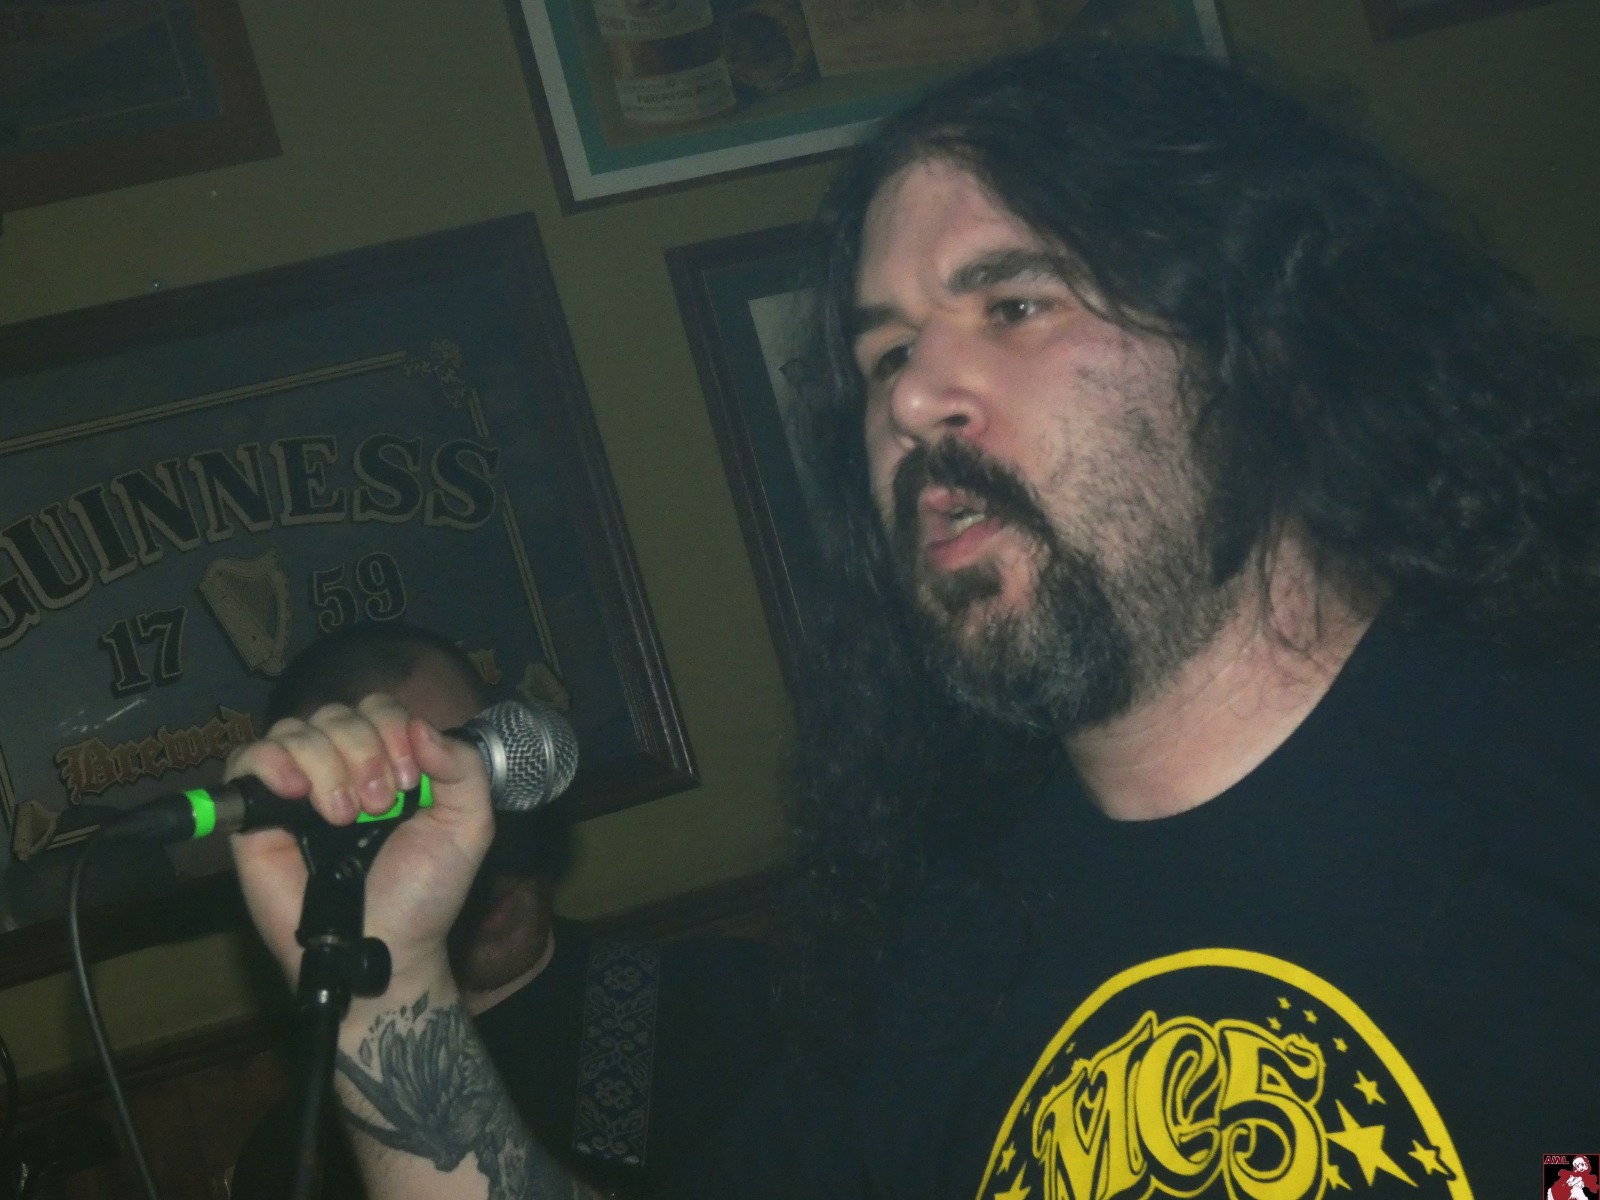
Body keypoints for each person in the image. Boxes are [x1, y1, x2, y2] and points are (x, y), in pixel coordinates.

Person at [227, 42, 1600, 1200]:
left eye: (1013, 302)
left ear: (1262, 343)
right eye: (884, 353)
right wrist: (387, 993)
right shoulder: (944, 957)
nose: (910, 398)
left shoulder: (1552, 768)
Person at [230, 622, 776, 1198]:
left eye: (482, 769)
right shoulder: (297, 1155)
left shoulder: (715, 1000)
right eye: (406, 798)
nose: (475, 835)